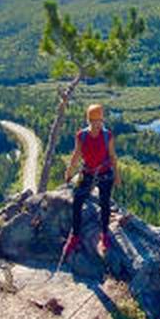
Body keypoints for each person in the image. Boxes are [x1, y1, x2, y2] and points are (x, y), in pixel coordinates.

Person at [63, 103, 121, 259]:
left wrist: (117, 175)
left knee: (104, 204)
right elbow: (76, 155)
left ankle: (104, 234)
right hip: (88, 172)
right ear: (89, 121)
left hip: (104, 173)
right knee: (77, 202)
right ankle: (75, 235)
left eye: (99, 121)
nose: (97, 124)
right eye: (94, 121)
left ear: (102, 121)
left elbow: (113, 156)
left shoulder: (107, 135)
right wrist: (69, 172)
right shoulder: (81, 136)